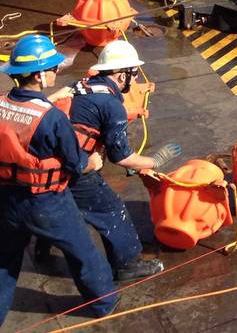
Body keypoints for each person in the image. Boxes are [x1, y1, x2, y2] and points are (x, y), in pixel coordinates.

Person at [0, 34, 118, 324]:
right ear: (40, 74)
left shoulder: (1, 104)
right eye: (53, 68)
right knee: (83, 252)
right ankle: (105, 302)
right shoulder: (53, 118)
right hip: (46, 202)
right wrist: (92, 162)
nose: (56, 72)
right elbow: (75, 163)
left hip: (6, 199)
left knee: (4, 261)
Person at [63, 39, 179, 282]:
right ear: (119, 74)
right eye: (133, 73)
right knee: (112, 210)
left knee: (60, 205)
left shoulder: (83, 85)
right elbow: (122, 157)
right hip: (73, 167)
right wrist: (155, 161)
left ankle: (42, 247)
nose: (135, 79)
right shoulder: (111, 104)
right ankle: (127, 265)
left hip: (53, 160)